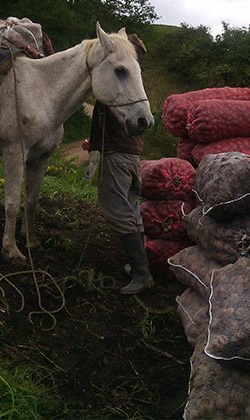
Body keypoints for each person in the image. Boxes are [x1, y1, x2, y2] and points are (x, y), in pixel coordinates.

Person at [87, 35, 153, 294]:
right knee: (132, 209)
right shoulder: (135, 87)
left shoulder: (120, 88)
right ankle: (139, 266)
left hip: (118, 157)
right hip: (130, 156)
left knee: (118, 209)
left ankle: (141, 274)